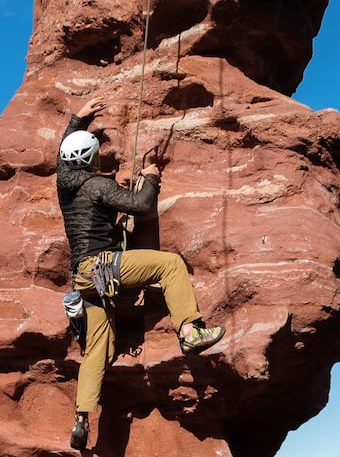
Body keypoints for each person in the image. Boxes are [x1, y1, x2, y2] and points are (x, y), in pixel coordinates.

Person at [55, 94, 224, 449]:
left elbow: (64, 158)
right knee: (170, 264)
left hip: (84, 281)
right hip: (104, 268)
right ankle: (191, 331)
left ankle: (81, 419)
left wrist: (77, 119)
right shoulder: (98, 186)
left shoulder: (64, 184)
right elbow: (142, 207)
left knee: (97, 351)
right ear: (93, 158)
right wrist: (150, 178)